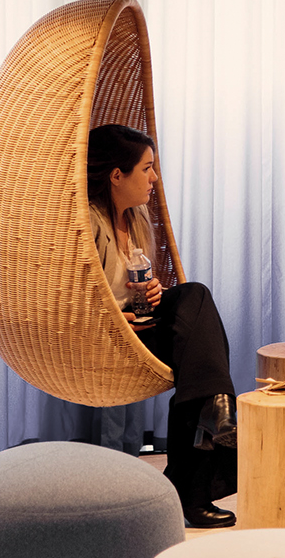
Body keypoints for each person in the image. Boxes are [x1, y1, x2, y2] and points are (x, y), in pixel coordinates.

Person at [87, 122, 238, 529]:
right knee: (201, 354)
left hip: (141, 327)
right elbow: (76, 297)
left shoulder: (135, 220)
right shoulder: (86, 225)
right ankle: (197, 478)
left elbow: (132, 284)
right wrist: (117, 317)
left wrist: (154, 291)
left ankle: (215, 406)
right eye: (147, 168)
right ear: (116, 175)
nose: (154, 178)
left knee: (193, 296)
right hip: (110, 335)